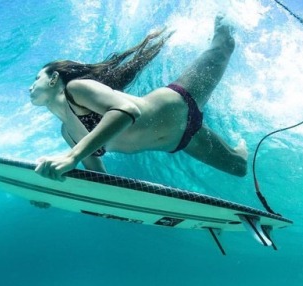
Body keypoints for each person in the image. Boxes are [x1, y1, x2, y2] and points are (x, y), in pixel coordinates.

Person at [29, 16, 248, 181]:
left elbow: (127, 110)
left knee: (223, 46)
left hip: (180, 102)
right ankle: (241, 147)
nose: (30, 86)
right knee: (239, 168)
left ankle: (225, 11)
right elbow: (100, 178)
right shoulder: (67, 132)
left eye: (36, 78)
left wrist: (72, 156)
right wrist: (53, 190)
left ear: (53, 78)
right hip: (181, 140)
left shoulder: (77, 90)